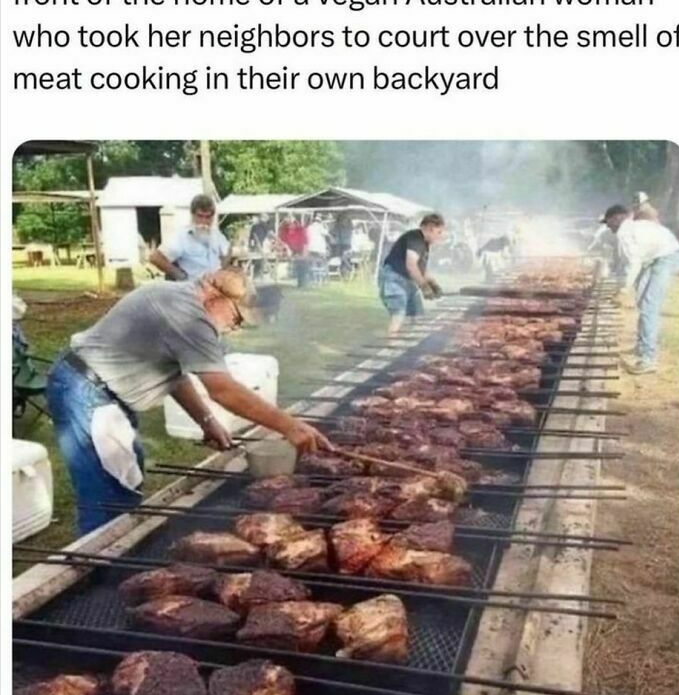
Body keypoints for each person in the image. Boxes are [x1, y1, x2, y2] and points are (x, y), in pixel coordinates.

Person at [46, 269, 330, 535]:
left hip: (99, 391)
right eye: (237, 319)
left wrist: (206, 421)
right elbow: (223, 390)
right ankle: (95, 575)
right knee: (106, 498)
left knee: (122, 484)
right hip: (86, 392)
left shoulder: (184, 299)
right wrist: (288, 425)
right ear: (216, 297)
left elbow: (174, 374)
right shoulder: (189, 315)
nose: (235, 328)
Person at [602, 204, 679, 374]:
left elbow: (633, 264)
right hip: (658, 257)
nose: (608, 227)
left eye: (608, 222)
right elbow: (626, 263)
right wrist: (620, 284)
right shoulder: (631, 228)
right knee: (642, 301)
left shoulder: (625, 232)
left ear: (616, 218)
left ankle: (648, 359)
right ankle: (642, 347)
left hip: (666, 257)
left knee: (648, 307)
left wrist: (623, 290)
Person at [378, 213, 445, 336]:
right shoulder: (415, 238)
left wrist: (434, 285)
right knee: (398, 315)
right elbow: (411, 266)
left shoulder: (424, 244)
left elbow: (421, 270)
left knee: (417, 315)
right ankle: (391, 348)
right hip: (394, 280)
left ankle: (410, 346)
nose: (441, 236)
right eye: (439, 232)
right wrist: (424, 287)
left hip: (406, 281)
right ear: (430, 228)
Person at [149, 194, 230, 281]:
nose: (203, 222)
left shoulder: (215, 234)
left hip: (214, 287)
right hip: (191, 287)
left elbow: (228, 250)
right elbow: (155, 257)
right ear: (192, 215)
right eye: (200, 216)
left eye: (208, 217)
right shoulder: (181, 236)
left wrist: (222, 270)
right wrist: (179, 275)